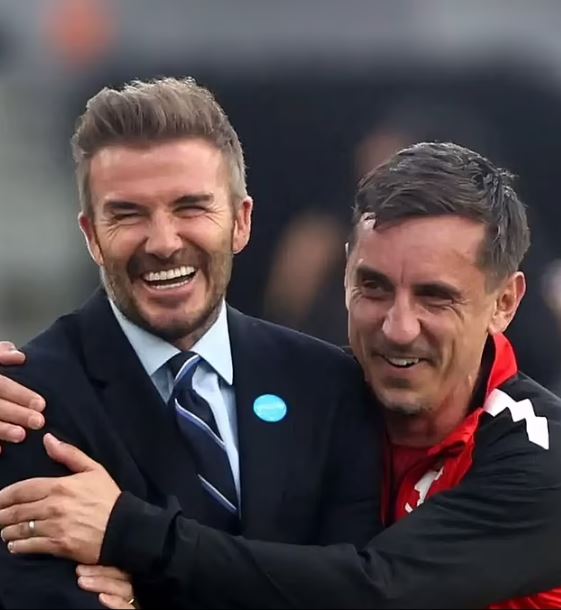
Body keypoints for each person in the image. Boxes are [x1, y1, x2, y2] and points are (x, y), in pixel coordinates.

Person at [2, 142, 561, 609]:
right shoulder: (329, 394)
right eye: (373, 286)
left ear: (504, 303)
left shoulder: (541, 454)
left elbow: (374, 590)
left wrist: (131, 538)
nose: (397, 327)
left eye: (435, 297)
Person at [0, 77, 381, 608]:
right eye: (128, 214)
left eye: (190, 207)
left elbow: (357, 593)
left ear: (241, 222)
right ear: (91, 236)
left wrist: (148, 588)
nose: (163, 242)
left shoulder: (331, 387)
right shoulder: (27, 405)